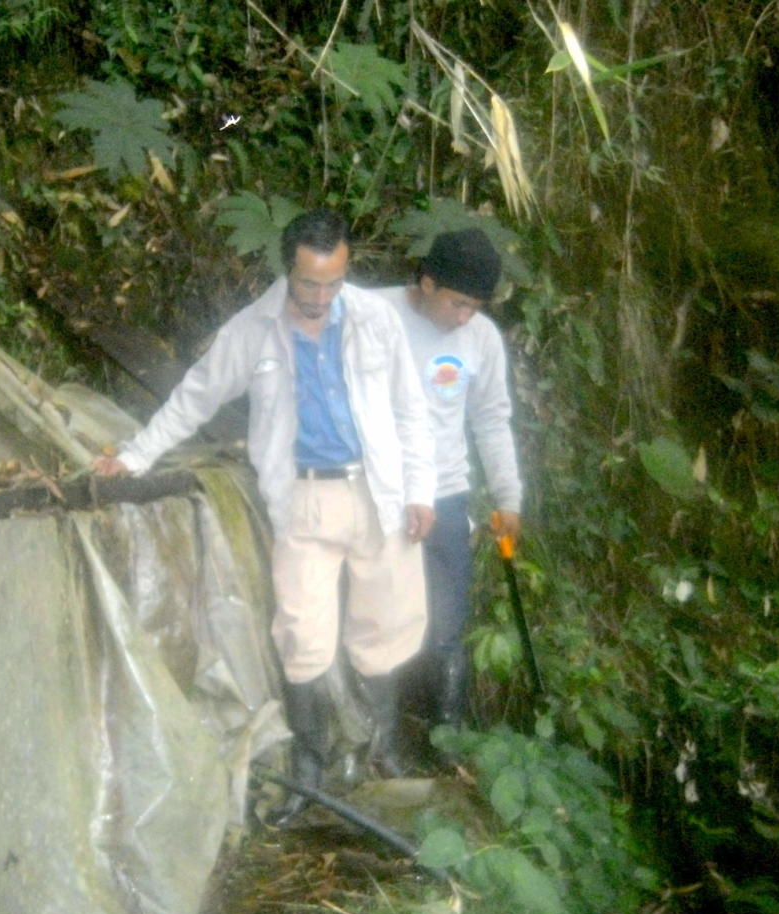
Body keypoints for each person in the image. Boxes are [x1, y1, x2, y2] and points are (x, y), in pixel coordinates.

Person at [94, 209, 436, 820]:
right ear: (287, 271)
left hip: (379, 493)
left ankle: (382, 750)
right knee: (303, 637)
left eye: (334, 283)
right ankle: (310, 770)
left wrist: (421, 492)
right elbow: (196, 395)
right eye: (310, 284)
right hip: (304, 499)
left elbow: (412, 410)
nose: (322, 297)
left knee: (387, 629)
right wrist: (135, 456)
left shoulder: (374, 319)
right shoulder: (253, 330)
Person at [374, 228, 523, 731]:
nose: (464, 318)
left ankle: (448, 740)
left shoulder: (480, 338)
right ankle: (381, 739)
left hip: (447, 495)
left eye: (475, 308)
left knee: (447, 621)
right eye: (458, 303)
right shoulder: (375, 315)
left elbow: (491, 419)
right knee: (379, 621)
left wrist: (508, 498)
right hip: (380, 495)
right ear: (427, 282)